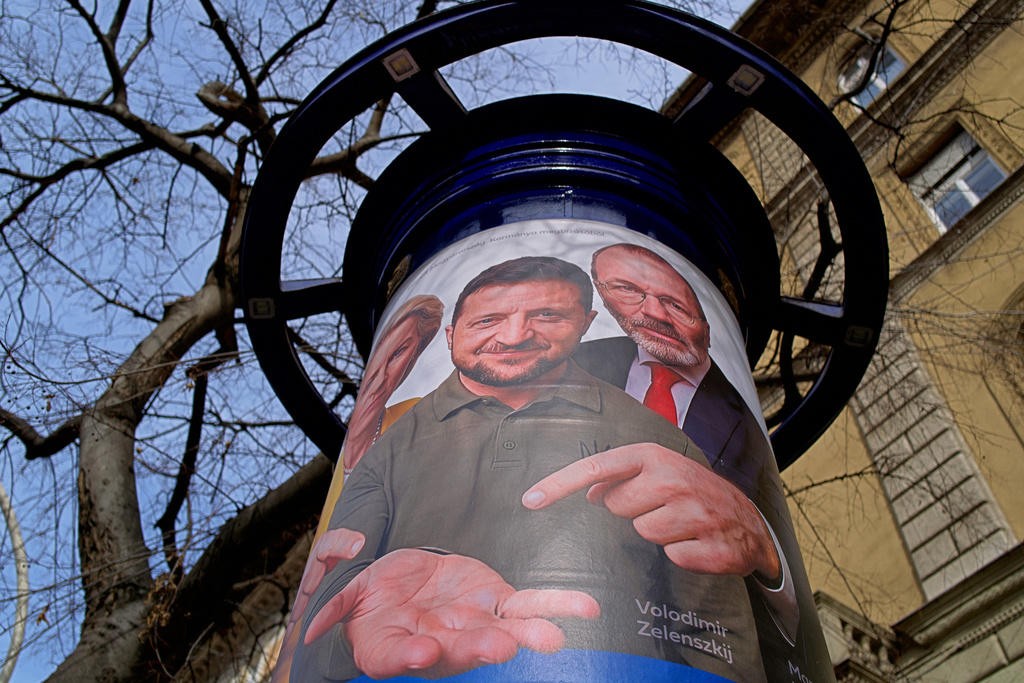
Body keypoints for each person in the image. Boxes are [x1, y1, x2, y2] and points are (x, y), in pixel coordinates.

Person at [290, 256, 775, 683]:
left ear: (586, 323)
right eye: (489, 320)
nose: (515, 335)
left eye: (547, 315)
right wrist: (350, 638)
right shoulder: (389, 446)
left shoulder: (661, 441)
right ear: (452, 335)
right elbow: (319, 626)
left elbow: (717, 629)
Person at [572, 243, 809, 673]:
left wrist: (768, 557)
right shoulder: (577, 364)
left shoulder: (745, 425)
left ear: (709, 326)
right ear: (604, 295)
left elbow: (796, 638)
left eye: (676, 305)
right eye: (627, 289)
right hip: (576, 647)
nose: (654, 314)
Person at [269, 295, 443, 683]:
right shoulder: (344, 462)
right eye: (382, 350)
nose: (383, 367)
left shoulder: (419, 419)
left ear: (411, 362)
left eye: (399, 353)